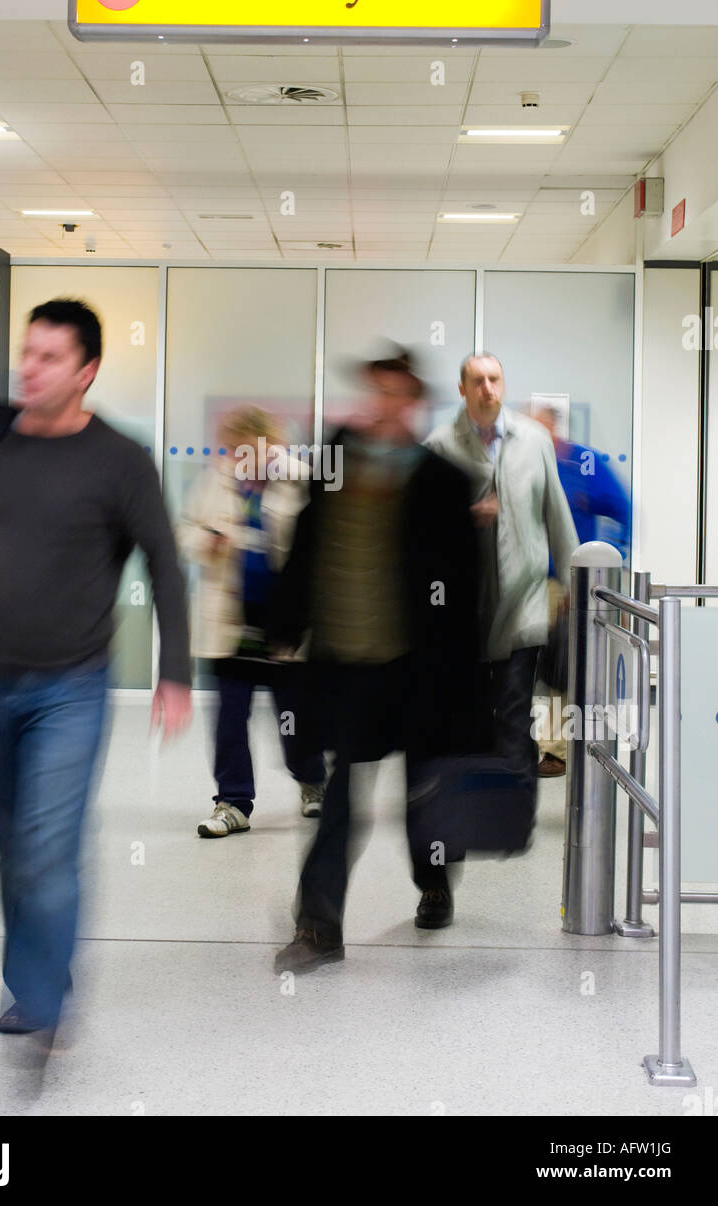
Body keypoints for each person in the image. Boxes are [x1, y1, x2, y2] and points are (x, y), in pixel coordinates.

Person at [0, 298, 192, 1037]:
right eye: (27, 352)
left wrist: (175, 670)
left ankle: (37, 992)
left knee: (48, 843)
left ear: (85, 372)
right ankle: (40, 970)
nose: (29, 367)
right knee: (14, 843)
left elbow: (165, 565)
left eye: (50, 357)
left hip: (72, 687)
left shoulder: (120, 462)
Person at [270, 344, 479, 975]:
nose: (385, 405)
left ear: (415, 402)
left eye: (398, 394)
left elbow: (465, 587)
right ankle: (319, 925)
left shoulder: (443, 480)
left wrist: (467, 678)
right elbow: (306, 544)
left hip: (418, 668)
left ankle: (435, 881)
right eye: (377, 392)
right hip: (348, 665)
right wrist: (283, 624)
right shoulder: (336, 464)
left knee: (424, 797)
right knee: (342, 798)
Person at [426, 354, 578, 795]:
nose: (487, 388)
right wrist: (466, 518)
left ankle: (513, 802)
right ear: (462, 389)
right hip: (464, 606)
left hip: (525, 598)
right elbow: (425, 530)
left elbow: (556, 514)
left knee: (514, 703)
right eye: (477, 380)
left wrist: (572, 582)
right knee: (477, 707)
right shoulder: (440, 446)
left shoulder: (534, 441)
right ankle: (479, 793)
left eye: (494, 379)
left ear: (503, 385)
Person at [178, 406, 327, 836]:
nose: (237, 454)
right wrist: (208, 540)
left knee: (293, 717)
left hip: (283, 624)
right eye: (232, 446)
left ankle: (312, 781)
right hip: (230, 623)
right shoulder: (215, 479)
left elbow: (313, 543)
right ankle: (233, 802)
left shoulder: (298, 478)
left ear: (268, 442)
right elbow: (186, 529)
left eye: (246, 445)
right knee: (230, 716)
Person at [531, 404, 631, 777]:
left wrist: (607, 566)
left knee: (561, 666)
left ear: (556, 430)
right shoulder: (520, 463)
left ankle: (558, 751)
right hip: (522, 581)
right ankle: (526, 744)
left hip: (567, 583)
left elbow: (622, 509)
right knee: (524, 666)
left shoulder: (583, 464)